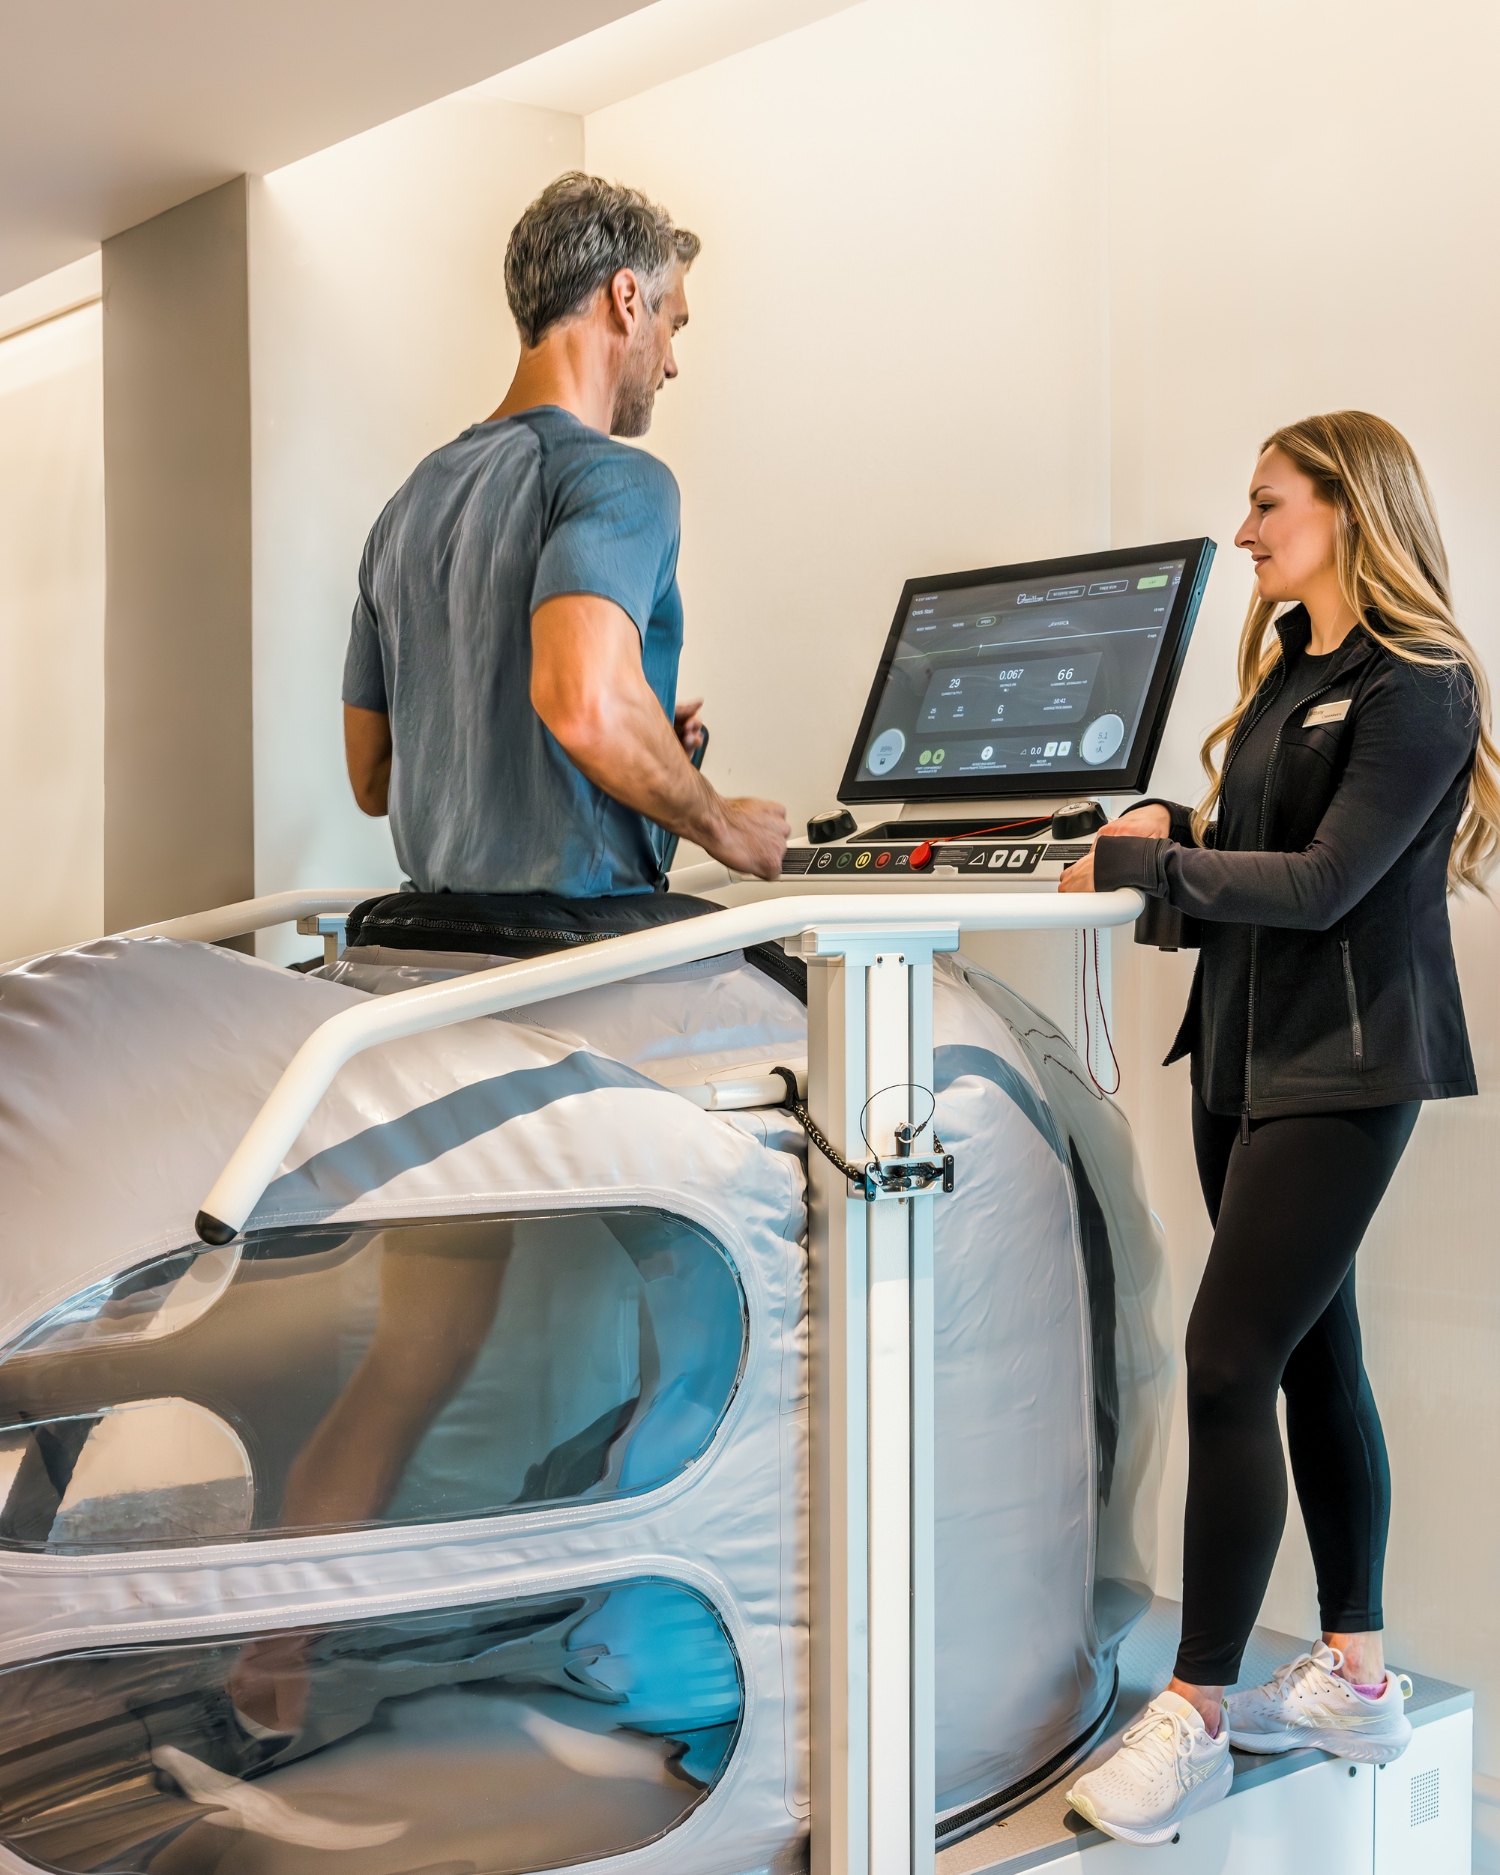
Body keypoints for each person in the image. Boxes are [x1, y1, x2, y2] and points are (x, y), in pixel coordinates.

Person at [1059, 410, 1499, 1847]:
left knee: (1228, 1355)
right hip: (1240, 1058)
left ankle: (1192, 1706)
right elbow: (1236, 869)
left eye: (1266, 503)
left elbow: (1320, 884)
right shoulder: (1287, 675)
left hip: (1347, 1066)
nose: (1243, 531)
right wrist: (1149, 843)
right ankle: (1357, 1671)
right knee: (1316, 1349)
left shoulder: (1420, 684)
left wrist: (1157, 853)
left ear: (1346, 507)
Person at [341, 170, 789, 902]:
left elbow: (373, 777)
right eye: (672, 324)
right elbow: (582, 702)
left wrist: (631, 740)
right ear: (626, 300)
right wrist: (719, 819)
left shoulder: (407, 507)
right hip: (573, 964)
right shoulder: (617, 481)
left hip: (432, 951)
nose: (671, 361)